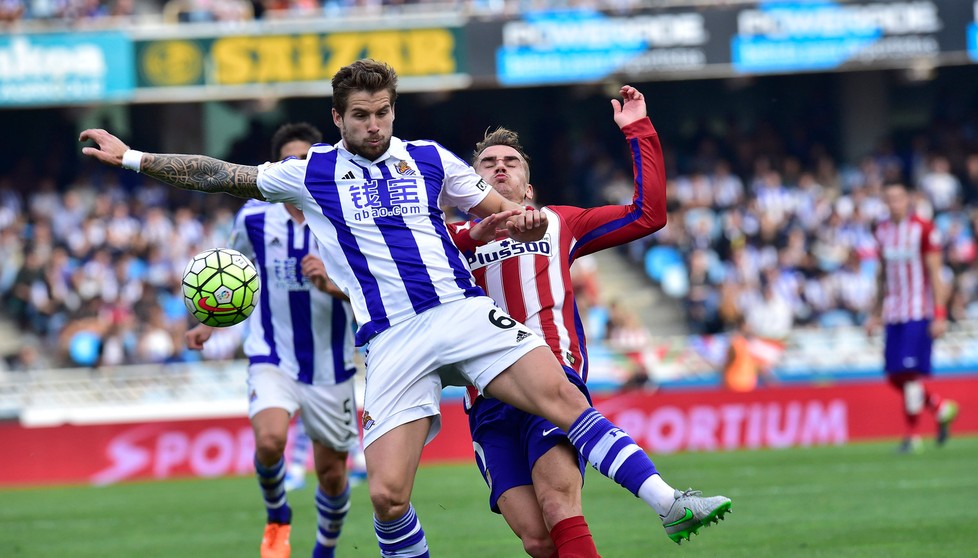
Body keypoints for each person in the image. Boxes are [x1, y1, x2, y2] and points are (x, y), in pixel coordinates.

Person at [80, 58, 732, 557]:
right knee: (389, 497)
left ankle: (667, 501)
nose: (373, 125)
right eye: (361, 115)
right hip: (390, 340)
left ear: (393, 111)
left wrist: (524, 221)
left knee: (565, 399)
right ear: (338, 118)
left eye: (382, 112)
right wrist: (133, 158)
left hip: (458, 311)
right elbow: (222, 174)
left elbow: (497, 211)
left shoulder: (429, 159)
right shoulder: (312, 173)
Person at [446, 85, 668, 557]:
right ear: (469, 188)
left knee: (558, 503)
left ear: (528, 187)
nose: (499, 166)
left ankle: (666, 500)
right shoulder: (445, 241)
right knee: (537, 539)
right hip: (485, 395)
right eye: (487, 164)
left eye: (511, 162)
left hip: (552, 375)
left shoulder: (557, 223)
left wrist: (638, 131)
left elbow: (648, 215)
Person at [185, 122, 358, 558]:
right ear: (276, 167)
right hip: (271, 354)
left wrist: (331, 286)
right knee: (269, 442)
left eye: (305, 160)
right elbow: (230, 274)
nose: (296, 167)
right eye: (288, 161)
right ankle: (278, 515)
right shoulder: (255, 217)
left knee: (333, 475)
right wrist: (209, 320)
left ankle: (325, 549)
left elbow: (371, 288)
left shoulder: (343, 219)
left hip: (331, 364)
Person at [867, 182, 959, 453]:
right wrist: (875, 313)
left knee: (907, 373)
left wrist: (940, 314)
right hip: (893, 312)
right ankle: (941, 407)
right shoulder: (882, 230)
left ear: (908, 199)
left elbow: (935, 272)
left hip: (918, 311)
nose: (894, 203)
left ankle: (912, 436)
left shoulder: (923, 228)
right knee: (894, 375)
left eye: (898, 198)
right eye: (889, 198)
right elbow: (882, 274)